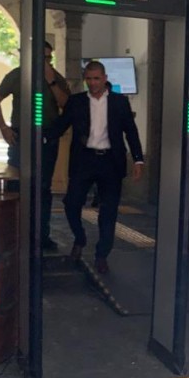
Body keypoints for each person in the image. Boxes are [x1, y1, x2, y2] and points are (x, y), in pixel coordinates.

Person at [48, 61, 143, 274]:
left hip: (111, 161)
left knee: (108, 212)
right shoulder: (77, 102)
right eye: (89, 79)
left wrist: (138, 159)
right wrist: (41, 137)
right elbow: (60, 126)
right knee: (71, 203)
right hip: (84, 160)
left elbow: (131, 131)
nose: (93, 83)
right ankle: (80, 239)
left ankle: (102, 255)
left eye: (96, 78)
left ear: (105, 77)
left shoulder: (119, 102)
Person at [0, 41, 70, 250]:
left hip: (47, 138)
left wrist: (51, 82)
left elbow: (66, 105)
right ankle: (16, 235)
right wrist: (4, 128)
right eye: (41, 58)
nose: (45, 62)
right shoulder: (17, 75)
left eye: (48, 58)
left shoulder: (56, 77)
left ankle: (42, 236)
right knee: (18, 185)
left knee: (43, 188)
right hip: (21, 137)